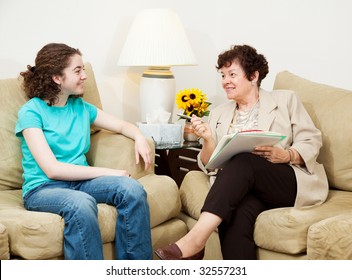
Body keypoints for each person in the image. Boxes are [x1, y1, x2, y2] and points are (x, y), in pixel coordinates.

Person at [155, 44, 329, 260]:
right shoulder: (219, 113)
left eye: (232, 74)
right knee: (235, 212)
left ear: (254, 76)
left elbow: (311, 139)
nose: (225, 81)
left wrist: (288, 154)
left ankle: (196, 240)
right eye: (223, 75)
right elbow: (210, 165)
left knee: (244, 160)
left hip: (285, 179)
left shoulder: (286, 100)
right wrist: (209, 140)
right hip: (245, 185)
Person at [15, 43, 153, 260]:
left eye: (83, 70)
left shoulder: (81, 108)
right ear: (57, 78)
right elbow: (52, 170)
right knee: (81, 202)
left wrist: (138, 136)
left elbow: (122, 125)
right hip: (43, 189)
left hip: (80, 182)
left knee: (132, 189)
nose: (84, 76)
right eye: (77, 71)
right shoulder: (31, 112)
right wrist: (109, 172)